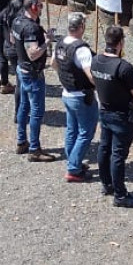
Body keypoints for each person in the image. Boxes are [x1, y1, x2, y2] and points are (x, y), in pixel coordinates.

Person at [91, 26, 133, 208]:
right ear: (120, 42)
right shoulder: (124, 67)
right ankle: (120, 195)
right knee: (118, 155)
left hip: (104, 112)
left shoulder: (95, 60)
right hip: (122, 116)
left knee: (104, 148)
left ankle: (107, 184)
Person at [51, 12, 98, 183]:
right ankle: (73, 168)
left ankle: (73, 161)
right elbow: (91, 75)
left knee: (72, 130)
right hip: (81, 95)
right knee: (86, 132)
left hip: (67, 93)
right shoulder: (82, 49)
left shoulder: (61, 43)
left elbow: (53, 64)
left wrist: (66, 76)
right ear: (81, 27)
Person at [12, 0, 56, 162]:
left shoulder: (17, 21)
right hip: (32, 72)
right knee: (37, 112)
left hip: (21, 68)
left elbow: (12, 39)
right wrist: (47, 41)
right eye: (40, 6)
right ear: (33, 8)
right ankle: (34, 149)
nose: (42, 8)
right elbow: (33, 53)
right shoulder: (31, 28)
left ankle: (22, 141)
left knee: (24, 106)